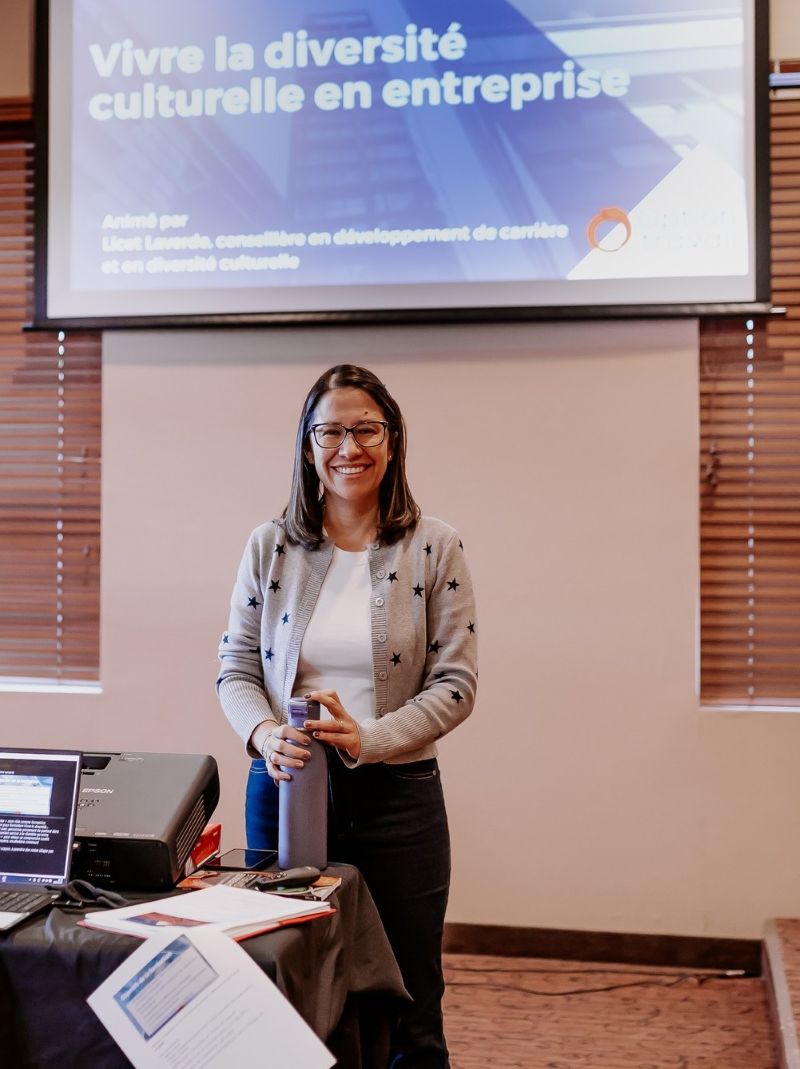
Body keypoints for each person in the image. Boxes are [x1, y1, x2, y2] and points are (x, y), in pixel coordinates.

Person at [217, 364, 477, 1067]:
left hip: (399, 799)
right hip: (286, 790)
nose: (348, 447)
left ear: (392, 441)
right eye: (329, 431)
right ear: (308, 447)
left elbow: (456, 684)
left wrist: (370, 738)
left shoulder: (435, 546)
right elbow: (236, 668)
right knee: (289, 983)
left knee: (410, 1000)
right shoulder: (270, 546)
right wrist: (264, 732)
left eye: (366, 429)